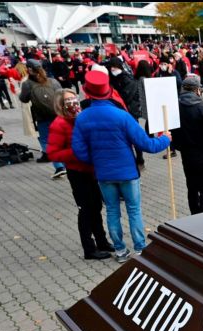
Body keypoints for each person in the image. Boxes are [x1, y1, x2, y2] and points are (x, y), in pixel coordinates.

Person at [72, 70, 171, 263]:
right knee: (134, 210)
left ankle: (120, 251)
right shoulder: (122, 116)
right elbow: (146, 144)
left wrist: (96, 160)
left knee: (112, 210)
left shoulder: (82, 118)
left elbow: (79, 150)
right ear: (108, 91)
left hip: (104, 174)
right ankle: (140, 248)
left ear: (87, 92)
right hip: (127, 172)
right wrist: (165, 139)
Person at [46, 89, 113, 260]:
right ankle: (89, 249)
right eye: (68, 100)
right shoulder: (59, 124)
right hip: (77, 172)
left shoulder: (82, 118)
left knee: (96, 206)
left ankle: (102, 241)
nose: (73, 102)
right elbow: (53, 153)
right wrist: (76, 152)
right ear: (61, 104)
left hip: (92, 170)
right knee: (86, 209)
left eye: (74, 98)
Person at [170, 76, 203, 215]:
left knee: (191, 188)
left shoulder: (176, 108)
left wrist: (179, 146)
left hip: (187, 155)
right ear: (197, 90)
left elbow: (173, 131)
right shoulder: (201, 109)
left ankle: (194, 217)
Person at [19, 59, 66, 179]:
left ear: (29, 69)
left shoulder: (27, 84)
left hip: (42, 117)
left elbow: (23, 99)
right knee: (61, 139)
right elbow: (61, 95)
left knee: (46, 141)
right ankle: (66, 163)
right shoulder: (53, 81)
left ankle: (59, 166)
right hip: (57, 114)